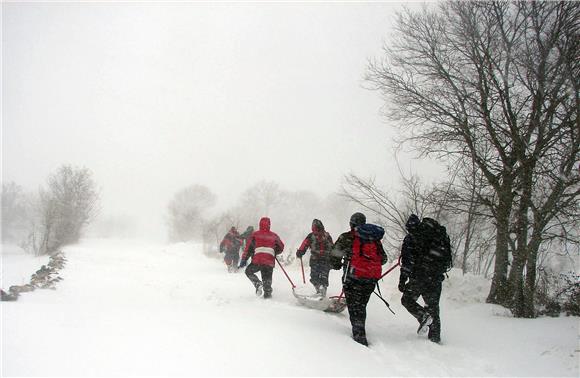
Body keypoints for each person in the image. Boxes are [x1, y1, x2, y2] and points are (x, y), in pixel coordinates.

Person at [330, 212, 388, 346]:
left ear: (351, 223)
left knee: (353, 305)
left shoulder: (346, 237)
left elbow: (334, 255)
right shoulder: (374, 239)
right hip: (370, 278)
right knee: (361, 304)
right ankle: (359, 330)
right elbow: (383, 259)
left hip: (353, 277)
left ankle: (359, 335)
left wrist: (337, 264)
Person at [398, 215, 451, 344]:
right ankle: (435, 339)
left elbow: (407, 263)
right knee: (433, 307)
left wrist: (402, 280)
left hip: (419, 277)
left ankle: (423, 316)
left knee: (407, 299)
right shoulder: (436, 236)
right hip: (436, 277)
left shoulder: (411, 238)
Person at [238, 217, 284, 299]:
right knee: (267, 279)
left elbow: (248, 248)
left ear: (260, 224)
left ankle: (257, 283)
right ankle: (267, 294)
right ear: (269, 224)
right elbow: (281, 247)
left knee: (248, 271)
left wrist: (244, 259)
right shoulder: (274, 236)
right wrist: (274, 251)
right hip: (269, 261)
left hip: (257, 261)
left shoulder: (255, 234)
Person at [296, 219, 334, 296]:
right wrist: (300, 251)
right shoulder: (324, 236)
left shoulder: (319, 236)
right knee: (318, 277)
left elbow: (304, 245)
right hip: (320, 260)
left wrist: (300, 252)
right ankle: (320, 290)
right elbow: (305, 244)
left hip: (320, 260)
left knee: (319, 276)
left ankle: (321, 291)